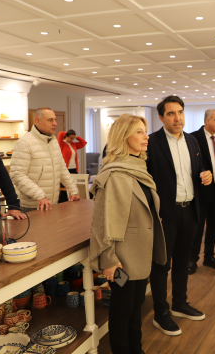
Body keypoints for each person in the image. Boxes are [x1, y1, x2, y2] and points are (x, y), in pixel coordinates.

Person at [89, 114, 166, 354]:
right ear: (124, 137)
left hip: (140, 253)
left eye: (145, 131)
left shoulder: (139, 168)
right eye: (139, 132)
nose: (146, 136)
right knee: (122, 311)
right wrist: (109, 259)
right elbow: (102, 221)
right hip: (121, 257)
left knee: (136, 308)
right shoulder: (114, 174)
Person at [146, 96, 212, 336]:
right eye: (171, 113)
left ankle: (180, 303)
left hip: (190, 210)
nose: (177, 118)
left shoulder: (192, 141)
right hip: (165, 213)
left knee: (184, 261)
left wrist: (206, 174)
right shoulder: (151, 143)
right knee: (161, 265)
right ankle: (161, 313)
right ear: (161, 117)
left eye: (180, 112)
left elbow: (198, 169)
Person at [10, 107, 80, 213]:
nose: (55, 123)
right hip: (32, 205)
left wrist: (73, 190)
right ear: (37, 121)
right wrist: (40, 195)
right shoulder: (24, 143)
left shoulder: (53, 141)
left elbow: (61, 168)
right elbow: (17, 175)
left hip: (52, 203)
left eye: (55, 119)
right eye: (50, 120)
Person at [188, 109, 215, 274]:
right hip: (202, 189)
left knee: (214, 225)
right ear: (207, 121)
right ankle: (192, 259)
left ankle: (209, 256)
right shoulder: (193, 138)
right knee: (198, 227)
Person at [57, 129, 87, 203]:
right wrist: (67, 133)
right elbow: (60, 134)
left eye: (73, 138)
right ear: (66, 136)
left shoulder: (73, 144)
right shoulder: (61, 143)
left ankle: (71, 201)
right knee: (64, 188)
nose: (72, 140)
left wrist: (77, 137)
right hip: (65, 169)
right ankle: (61, 202)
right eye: (71, 138)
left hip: (74, 168)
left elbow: (84, 143)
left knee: (73, 187)